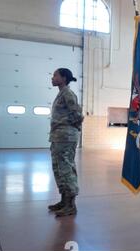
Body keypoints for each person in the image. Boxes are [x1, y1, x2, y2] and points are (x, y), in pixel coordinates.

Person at [48, 68, 84, 217]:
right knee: (58, 169)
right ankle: (64, 201)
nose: (52, 77)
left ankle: (70, 205)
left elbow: (78, 115)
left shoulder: (68, 94)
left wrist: (70, 130)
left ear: (63, 78)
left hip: (66, 137)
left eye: (55, 75)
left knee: (66, 170)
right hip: (58, 137)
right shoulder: (61, 93)